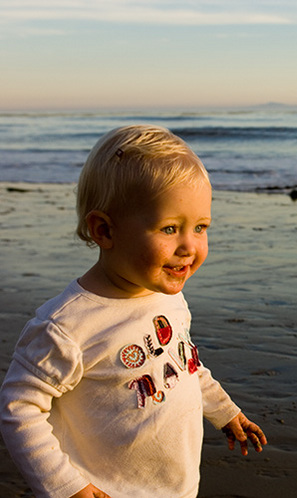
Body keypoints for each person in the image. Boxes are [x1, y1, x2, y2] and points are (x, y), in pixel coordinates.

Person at [0, 125, 267, 498]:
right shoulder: (67, 326)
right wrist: (67, 487)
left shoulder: (168, 297)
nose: (189, 246)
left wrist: (224, 411)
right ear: (105, 231)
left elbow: (184, 365)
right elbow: (19, 408)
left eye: (201, 227)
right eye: (170, 228)